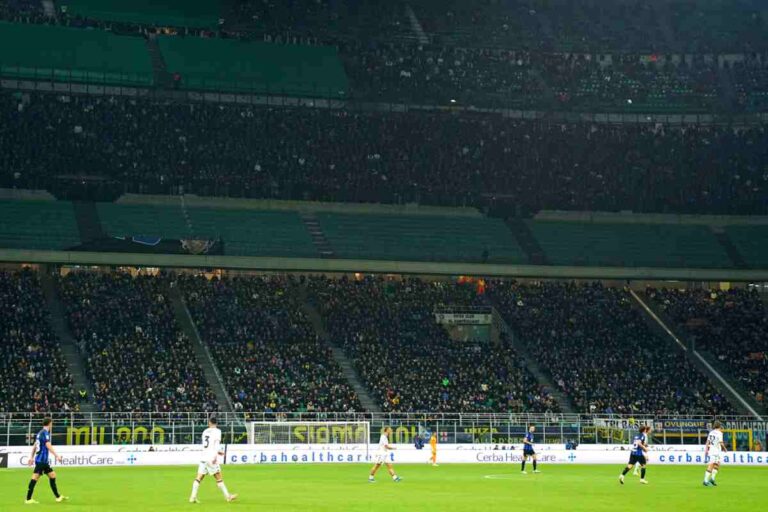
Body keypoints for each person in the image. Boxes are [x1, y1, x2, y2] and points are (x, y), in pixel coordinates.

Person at [189, 417, 238, 503]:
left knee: (199, 477)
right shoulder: (217, 431)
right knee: (218, 477)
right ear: (216, 423)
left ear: (209, 423)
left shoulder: (205, 431)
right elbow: (216, 444)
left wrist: (218, 452)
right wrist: (216, 456)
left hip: (203, 456)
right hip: (211, 458)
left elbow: (207, 445)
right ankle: (228, 496)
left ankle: (192, 497)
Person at [25, 418, 68, 504]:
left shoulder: (39, 433)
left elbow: (35, 446)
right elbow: (47, 444)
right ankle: (28, 499)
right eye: (52, 424)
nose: (52, 425)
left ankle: (58, 497)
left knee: (52, 475)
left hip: (42, 461)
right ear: (50, 424)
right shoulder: (45, 433)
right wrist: (56, 456)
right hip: (41, 460)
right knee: (35, 478)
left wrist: (31, 457)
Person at [703, 421, 727, 487]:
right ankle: (705, 481)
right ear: (719, 426)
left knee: (717, 464)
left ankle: (712, 479)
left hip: (713, 451)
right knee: (711, 465)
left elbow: (707, 442)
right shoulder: (719, 433)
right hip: (715, 451)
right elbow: (721, 442)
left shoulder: (711, 432)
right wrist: (724, 448)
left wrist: (706, 450)